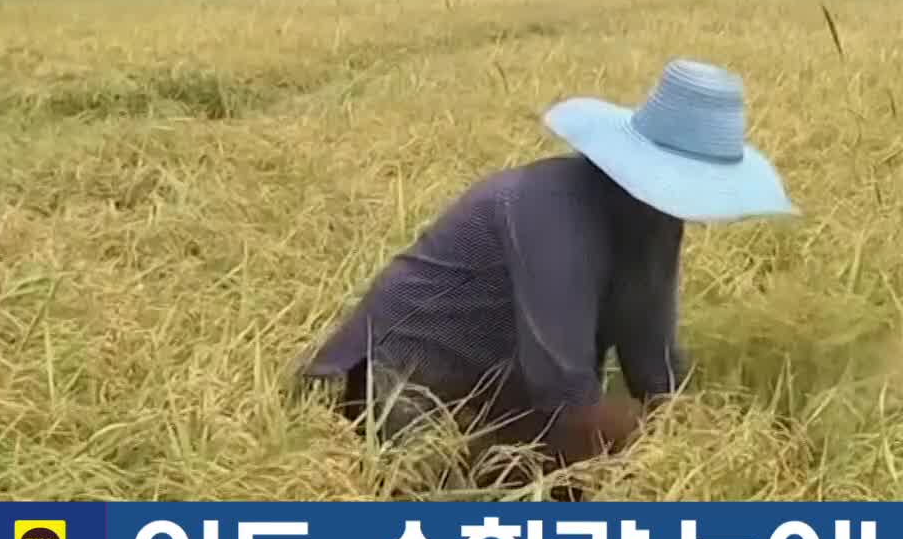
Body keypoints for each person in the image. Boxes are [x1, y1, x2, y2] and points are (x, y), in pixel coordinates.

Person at [299, 58, 798, 492]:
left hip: (497, 398)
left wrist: (709, 440)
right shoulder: (552, 212)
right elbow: (566, 396)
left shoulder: (656, 223)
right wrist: (658, 454)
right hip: (389, 391)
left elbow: (654, 367)